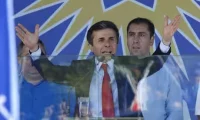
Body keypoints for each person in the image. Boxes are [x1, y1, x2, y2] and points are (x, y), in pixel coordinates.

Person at [15, 16, 179, 118]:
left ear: (116, 43)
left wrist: (165, 41)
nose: (107, 44)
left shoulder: (128, 65)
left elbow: (155, 63)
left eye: (111, 39)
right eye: (101, 40)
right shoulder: (79, 68)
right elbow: (51, 73)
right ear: (91, 47)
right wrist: (35, 49)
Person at [126, 16, 183, 120]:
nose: (135, 40)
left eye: (141, 35)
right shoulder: (115, 69)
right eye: (131, 35)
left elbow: (176, 111)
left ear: (151, 40)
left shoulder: (168, 72)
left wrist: (165, 42)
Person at [18, 41, 76, 120]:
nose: (33, 62)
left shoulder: (64, 92)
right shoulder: (9, 93)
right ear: (19, 60)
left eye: (37, 57)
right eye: (28, 57)